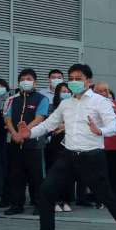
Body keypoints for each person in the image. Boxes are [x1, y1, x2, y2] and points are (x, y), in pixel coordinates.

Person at [19, 63, 116, 230]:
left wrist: (99, 130)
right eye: (72, 79)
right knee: (46, 191)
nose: (74, 82)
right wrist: (29, 133)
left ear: (88, 81)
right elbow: (49, 124)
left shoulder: (100, 102)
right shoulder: (66, 104)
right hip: (68, 155)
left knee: (106, 196)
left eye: (79, 79)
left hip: (92, 157)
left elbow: (115, 127)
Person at [4, 69, 48, 216]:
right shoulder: (12, 99)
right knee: (16, 175)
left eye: (29, 79)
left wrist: (25, 132)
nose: (25, 81)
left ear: (35, 82)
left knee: (36, 176)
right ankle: (16, 204)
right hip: (15, 142)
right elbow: (8, 119)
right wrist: (15, 134)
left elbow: (39, 118)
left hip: (34, 143)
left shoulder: (42, 99)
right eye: (23, 79)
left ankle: (39, 204)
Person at [44, 83, 74, 212]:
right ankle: (54, 200)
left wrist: (65, 126)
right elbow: (48, 125)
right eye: (62, 91)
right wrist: (60, 126)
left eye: (67, 91)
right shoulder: (52, 107)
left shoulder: (75, 107)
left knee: (68, 173)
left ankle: (66, 200)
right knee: (54, 172)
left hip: (70, 143)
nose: (65, 93)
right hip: (54, 144)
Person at [94, 83, 116, 202]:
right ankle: (101, 199)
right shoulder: (91, 105)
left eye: (105, 90)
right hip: (99, 145)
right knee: (101, 174)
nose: (103, 93)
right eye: (100, 91)